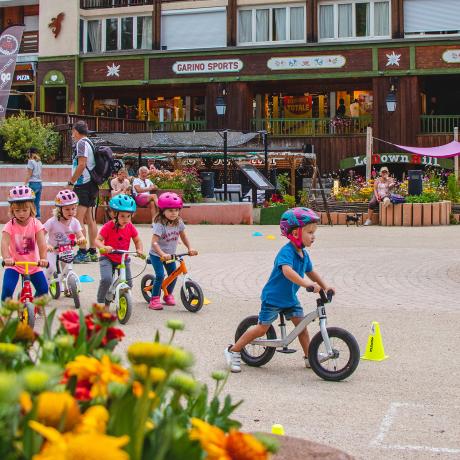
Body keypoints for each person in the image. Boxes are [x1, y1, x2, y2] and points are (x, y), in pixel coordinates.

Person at [224, 207, 334, 373]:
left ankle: (309, 357)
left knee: (302, 327)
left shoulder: (303, 253)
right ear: (295, 233)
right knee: (262, 328)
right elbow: (287, 271)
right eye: (310, 232)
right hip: (273, 298)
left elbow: (311, 272)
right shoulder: (287, 251)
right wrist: (306, 285)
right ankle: (233, 350)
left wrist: (326, 286)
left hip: (290, 299)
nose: (314, 236)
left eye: (314, 232)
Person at [148, 192, 197, 310]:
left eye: (176, 210)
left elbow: (184, 236)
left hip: (170, 255)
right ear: (163, 211)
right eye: (170, 210)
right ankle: (154, 299)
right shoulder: (160, 224)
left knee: (173, 274)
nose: (174, 213)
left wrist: (189, 248)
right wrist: (162, 254)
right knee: (160, 275)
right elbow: (154, 242)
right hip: (157, 254)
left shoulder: (178, 222)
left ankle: (168, 294)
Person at [1, 186, 48, 303]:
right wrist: (7, 258)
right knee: (7, 290)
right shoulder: (10, 225)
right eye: (17, 210)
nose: (21, 213)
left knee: (43, 290)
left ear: (32, 208)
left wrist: (43, 259)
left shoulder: (36, 224)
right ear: (12, 210)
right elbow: (4, 242)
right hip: (15, 264)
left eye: (25, 210)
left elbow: (42, 244)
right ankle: (5, 313)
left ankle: (33, 305)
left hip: (33, 264)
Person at [94, 194, 143, 306]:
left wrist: (139, 249)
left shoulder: (130, 227)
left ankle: (122, 300)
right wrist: (103, 247)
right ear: (114, 214)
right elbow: (97, 240)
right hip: (108, 258)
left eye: (128, 216)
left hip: (123, 259)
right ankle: (102, 302)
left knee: (129, 283)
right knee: (107, 280)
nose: (126, 219)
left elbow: (137, 240)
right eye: (122, 216)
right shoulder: (108, 226)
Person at [68, 120, 99, 263]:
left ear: (76, 131)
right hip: (92, 184)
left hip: (82, 184)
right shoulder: (90, 142)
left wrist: (71, 182)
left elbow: (81, 164)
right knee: (91, 220)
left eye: (73, 131)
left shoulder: (81, 143)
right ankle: (93, 251)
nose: (72, 135)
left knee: (79, 219)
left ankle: (82, 251)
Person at [43, 189, 86, 282]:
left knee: (67, 269)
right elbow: (40, 235)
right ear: (59, 209)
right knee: (50, 268)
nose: (71, 212)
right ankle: (44, 288)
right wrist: (46, 245)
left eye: (73, 208)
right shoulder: (52, 222)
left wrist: (81, 239)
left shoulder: (75, 222)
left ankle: (68, 287)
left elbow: (80, 235)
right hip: (53, 249)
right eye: (67, 209)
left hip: (66, 250)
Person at [24, 147, 43, 219]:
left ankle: (32, 219)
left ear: (30, 153)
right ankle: (37, 219)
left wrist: (24, 184)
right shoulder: (39, 162)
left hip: (33, 184)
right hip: (39, 184)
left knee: (30, 202)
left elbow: (29, 174)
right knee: (37, 203)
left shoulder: (30, 161)